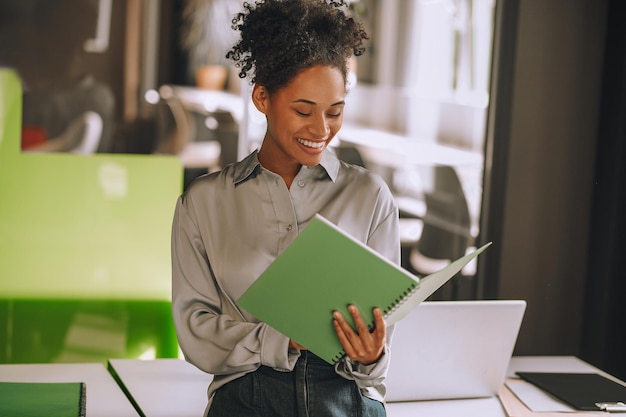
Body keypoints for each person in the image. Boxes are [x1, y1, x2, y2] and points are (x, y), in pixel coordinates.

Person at [171, 1, 400, 416]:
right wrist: (283, 339)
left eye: (335, 112)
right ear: (262, 97)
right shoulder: (203, 203)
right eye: (303, 110)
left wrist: (370, 354)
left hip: (346, 398)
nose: (321, 129)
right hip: (246, 398)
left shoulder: (370, 196)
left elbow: (379, 351)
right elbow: (195, 332)